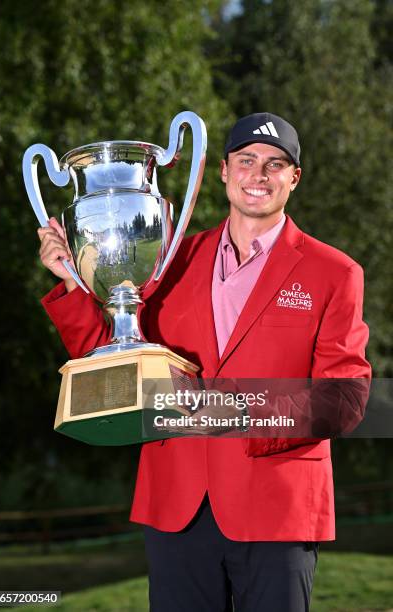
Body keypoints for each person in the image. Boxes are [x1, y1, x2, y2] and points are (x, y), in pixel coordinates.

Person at [38, 112, 371, 611]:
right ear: (223, 170)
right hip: (177, 505)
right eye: (247, 160)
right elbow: (111, 356)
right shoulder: (170, 260)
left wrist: (230, 411)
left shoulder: (335, 273)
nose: (258, 175)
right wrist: (72, 280)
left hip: (275, 508)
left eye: (275, 165)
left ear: (294, 178)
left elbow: (344, 399)